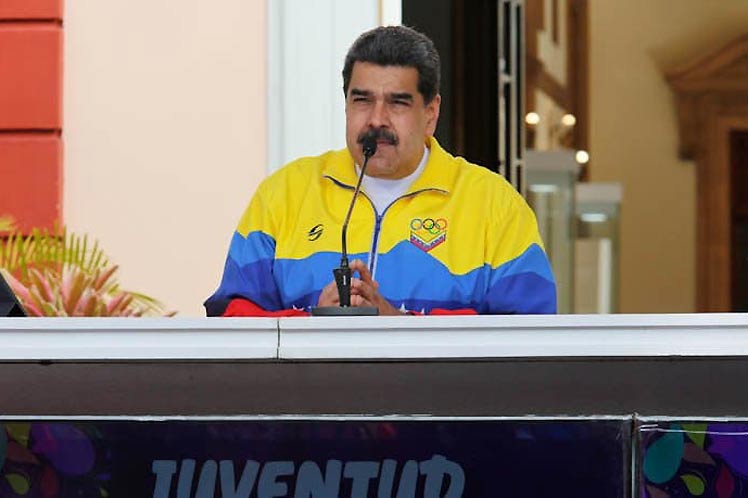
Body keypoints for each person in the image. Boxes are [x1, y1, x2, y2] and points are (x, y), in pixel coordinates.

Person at [205, 25, 556, 317]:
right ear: (346, 105)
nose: (376, 120)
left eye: (397, 103)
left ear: (431, 113)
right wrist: (311, 323)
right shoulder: (284, 193)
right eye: (362, 100)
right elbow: (231, 316)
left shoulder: (494, 204)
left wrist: (398, 326)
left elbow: (528, 332)